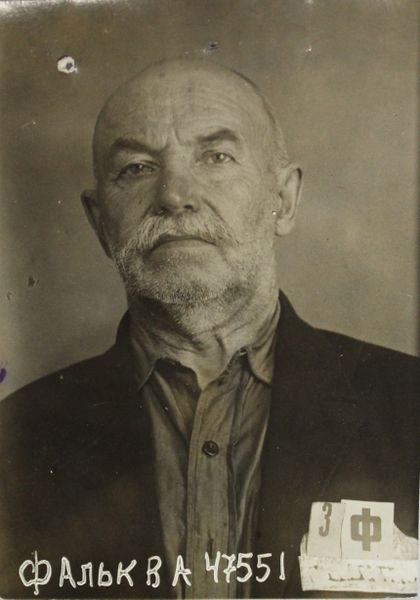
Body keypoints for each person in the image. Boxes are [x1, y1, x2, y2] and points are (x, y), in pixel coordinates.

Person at [0, 58, 418, 599]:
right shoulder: (14, 441)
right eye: (137, 168)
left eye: (216, 157)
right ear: (100, 222)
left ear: (283, 200)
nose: (175, 195)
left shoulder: (408, 408)